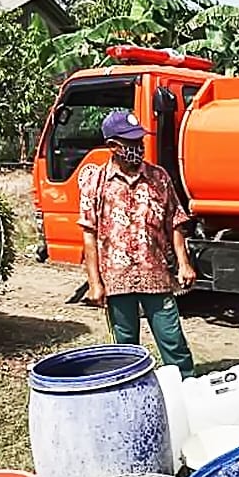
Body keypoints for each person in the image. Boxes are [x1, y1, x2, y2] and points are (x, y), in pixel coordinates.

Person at [77, 110, 198, 379]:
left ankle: (187, 388)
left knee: (173, 340)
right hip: (116, 281)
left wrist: (184, 264)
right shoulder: (95, 182)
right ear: (113, 146)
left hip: (156, 276)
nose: (137, 148)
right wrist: (95, 283)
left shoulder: (159, 177)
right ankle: (129, 390)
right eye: (130, 143)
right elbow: (89, 234)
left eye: (139, 141)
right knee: (125, 349)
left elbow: (175, 222)